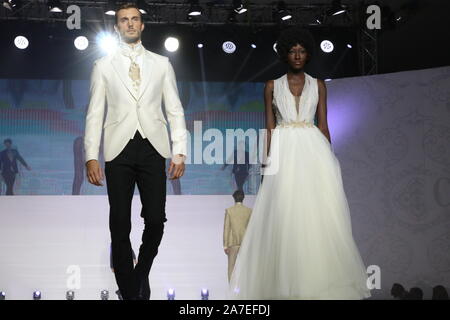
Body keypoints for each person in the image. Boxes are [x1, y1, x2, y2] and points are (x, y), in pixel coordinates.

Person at [228, 27, 371, 299]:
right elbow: (268, 128)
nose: (297, 55)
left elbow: (324, 125)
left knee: (316, 214)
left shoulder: (319, 84)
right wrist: (267, 162)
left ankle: (317, 282)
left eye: (302, 51)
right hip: (283, 148)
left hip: (312, 149)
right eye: (292, 51)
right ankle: (284, 283)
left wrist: (330, 158)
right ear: (285, 54)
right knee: (284, 212)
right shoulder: (272, 85)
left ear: (308, 54)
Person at [84, 3, 187, 300]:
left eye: (135, 19)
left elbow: (175, 109)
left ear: (142, 25)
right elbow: (94, 113)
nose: (129, 24)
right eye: (123, 20)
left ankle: (138, 276)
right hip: (118, 151)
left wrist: (179, 151)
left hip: (153, 148)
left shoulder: (162, 64)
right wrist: (91, 154)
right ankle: (131, 295)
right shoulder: (102, 66)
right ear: (116, 27)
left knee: (155, 220)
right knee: (120, 224)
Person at [223, 190, 252, 281]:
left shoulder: (229, 211)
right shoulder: (249, 211)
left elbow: (226, 228)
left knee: (231, 267)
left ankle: (232, 290)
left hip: (232, 243)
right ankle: (244, 288)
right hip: (245, 243)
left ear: (234, 198)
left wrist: (225, 245)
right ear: (243, 198)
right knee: (245, 267)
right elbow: (251, 228)